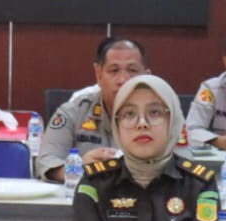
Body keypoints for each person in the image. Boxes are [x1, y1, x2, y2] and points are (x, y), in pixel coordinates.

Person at [73, 75, 218, 221]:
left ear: (173, 121)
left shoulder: (200, 185)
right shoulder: (95, 182)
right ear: (116, 125)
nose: (141, 123)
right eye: (129, 114)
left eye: (155, 112)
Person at [37, 36, 148, 182]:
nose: (123, 80)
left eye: (132, 70)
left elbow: (179, 164)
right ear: (99, 74)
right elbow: (46, 160)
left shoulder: (164, 116)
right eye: (114, 71)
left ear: (146, 76)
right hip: (87, 190)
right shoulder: (73, 112)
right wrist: (78, 169)